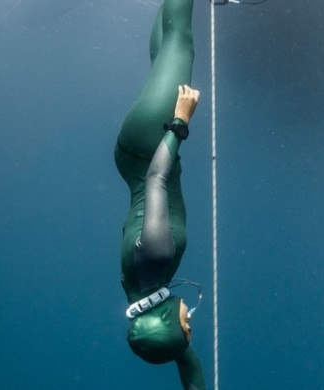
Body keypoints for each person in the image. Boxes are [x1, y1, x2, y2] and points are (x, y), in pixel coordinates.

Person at [114, 0, 205, 389]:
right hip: (132, 156)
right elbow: (186, 364)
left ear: (167, 321)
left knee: (181, 43)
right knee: (165, 51)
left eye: (186, 326)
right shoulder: (143, 293)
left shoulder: (157, 256)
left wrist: (180, 122)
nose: (190, 320)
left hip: (152, 139)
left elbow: (156, 179)